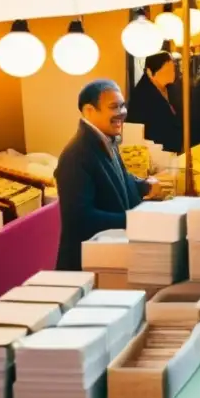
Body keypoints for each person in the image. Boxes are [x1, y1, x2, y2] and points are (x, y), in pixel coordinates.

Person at [55, 80, 160, 270]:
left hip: (108, 256)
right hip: (85, 266)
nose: (122, 112)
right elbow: (81, 218)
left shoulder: (106, 140)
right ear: (89, 111)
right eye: (113, 107)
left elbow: (119, 179)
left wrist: (143, 185)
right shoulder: (76, 155)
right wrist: (133, 220)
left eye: (122, 105)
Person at [126, 52, 182, 153]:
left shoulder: (171, 88)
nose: (172, 73)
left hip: (175, 149)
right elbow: (138, 131)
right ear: (150, 72)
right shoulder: (141, 95)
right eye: (166, 70)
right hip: (156, 153)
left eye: (173, 69)